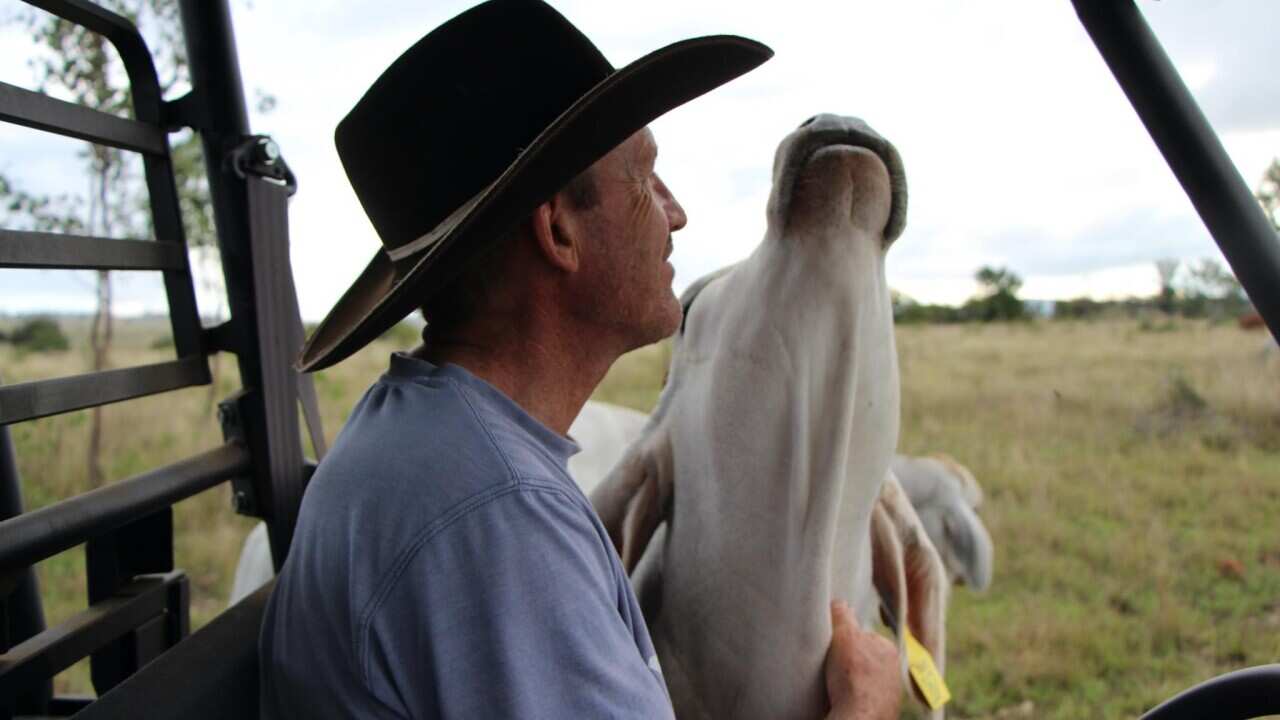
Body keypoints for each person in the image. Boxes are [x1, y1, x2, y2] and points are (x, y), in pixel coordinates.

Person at [260, 1, 902, 718]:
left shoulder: (422, 435)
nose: (676, 210)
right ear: (559, 229)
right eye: (644, 178)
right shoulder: (500, 521)